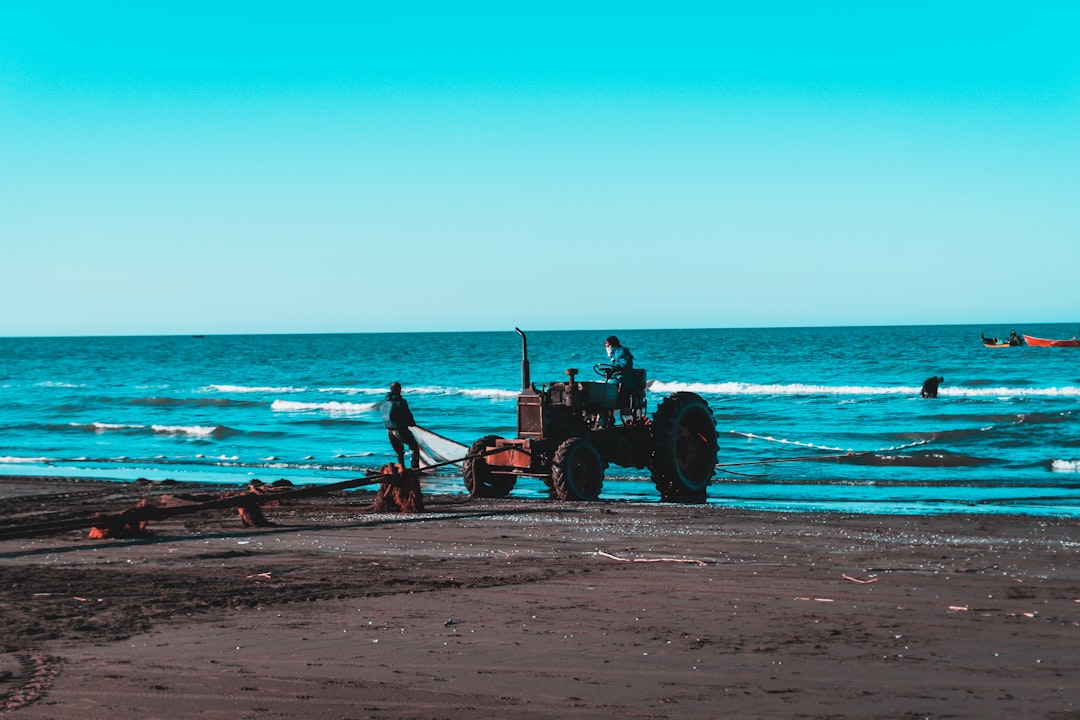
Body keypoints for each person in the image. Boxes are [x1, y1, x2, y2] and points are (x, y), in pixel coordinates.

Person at [382, 382, 420, 469]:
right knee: (414, 446)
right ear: (399, 390)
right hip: (400, 430)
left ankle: (401, 467)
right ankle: (415, 468)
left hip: (389, 431)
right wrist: (412, 423)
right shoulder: (401, 402)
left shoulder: (385, 402)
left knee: (399, 451)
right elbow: (407, 414)